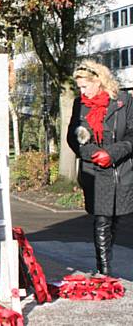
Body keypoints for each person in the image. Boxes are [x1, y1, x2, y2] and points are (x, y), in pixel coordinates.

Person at [67, 59, 133, 276]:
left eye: (85, 86)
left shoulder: (123, 101)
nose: (82, 91)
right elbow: (73, 138)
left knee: (114, 218)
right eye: (79, 87)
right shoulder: (80, 104)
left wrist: (111, 154)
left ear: (99, 81)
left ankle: (104, 266)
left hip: (120, 169)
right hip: (94, 169)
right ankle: (103, 270)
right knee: (102, 218)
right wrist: (93, 154)